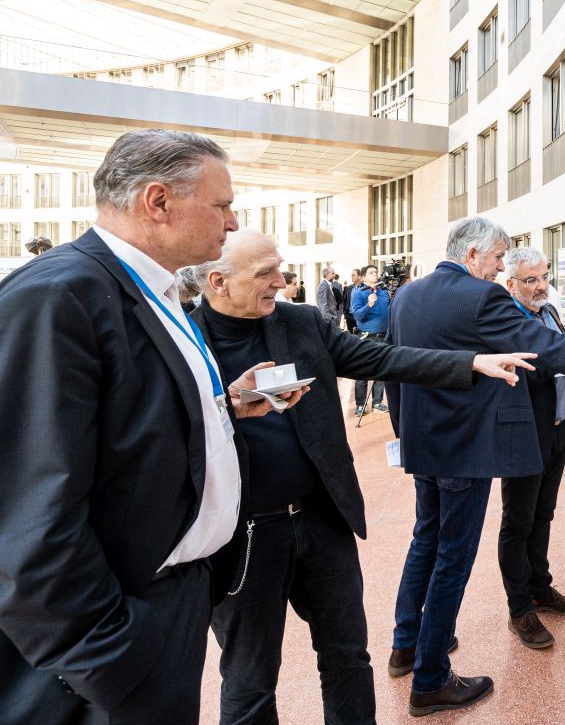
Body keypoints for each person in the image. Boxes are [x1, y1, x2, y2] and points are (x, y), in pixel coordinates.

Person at [0, 129, 305, 725]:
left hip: (171, 599)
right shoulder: (57, 296)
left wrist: (220, 405)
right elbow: (25, 507)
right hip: (111, 642)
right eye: (222, 204)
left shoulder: (154, 290)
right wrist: (107, 658)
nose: (233, 221)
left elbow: (126, 423)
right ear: (158, 202)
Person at [190, 229, 535, 725]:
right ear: (218, 282)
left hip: (320, 519)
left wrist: (472, 362)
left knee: (349, 656)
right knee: (249, 678)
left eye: (280, 269)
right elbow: (163, 430)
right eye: (265, 273)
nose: (282, 282)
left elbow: (381, 357)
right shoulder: (183, 340)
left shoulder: (303, 322)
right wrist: (227, 404)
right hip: (242, 536)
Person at [383, 217, 565, 717]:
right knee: (453, 556)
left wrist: (404, 429)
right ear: (472, 254)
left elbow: (393, 366)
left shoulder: (408, 296)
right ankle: (430, 680)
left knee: (424, 541)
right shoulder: (481, 297)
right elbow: (551, 347)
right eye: (497, 261)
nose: (500, 270)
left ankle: (405, 646)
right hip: (465, 448)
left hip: (423, 442)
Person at [498, 247, 565, 649]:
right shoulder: (505, 319)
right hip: (523, 434)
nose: (541, 286)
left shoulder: (549, 312)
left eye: (544, 277)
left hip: (556, 428)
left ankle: (540, 587)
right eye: (531, 280)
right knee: (517, 522)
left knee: (543, 515)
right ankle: (520, 608)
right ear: (511, 284)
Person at [350, 264, 389, 416]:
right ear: (364, 277)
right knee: (363, 372)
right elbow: (357, 316)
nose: (375, 274)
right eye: (371, 272)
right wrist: (369, 304)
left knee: (382, 370)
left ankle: (378, 402)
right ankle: (360, 404)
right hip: (366, 337)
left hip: (383, 336)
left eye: (376, 272)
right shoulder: (359, 293)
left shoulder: (384, 293)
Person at [343, 267, 361, 333]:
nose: (352, 277)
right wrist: (345, 314)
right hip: (349, 315)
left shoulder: (364, 288)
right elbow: (345, 301)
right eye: (351, 275)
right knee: (351, 336)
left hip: (359, 316)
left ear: (359, 276)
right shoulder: (349, 288)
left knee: (360, 335)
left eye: (354, 275)